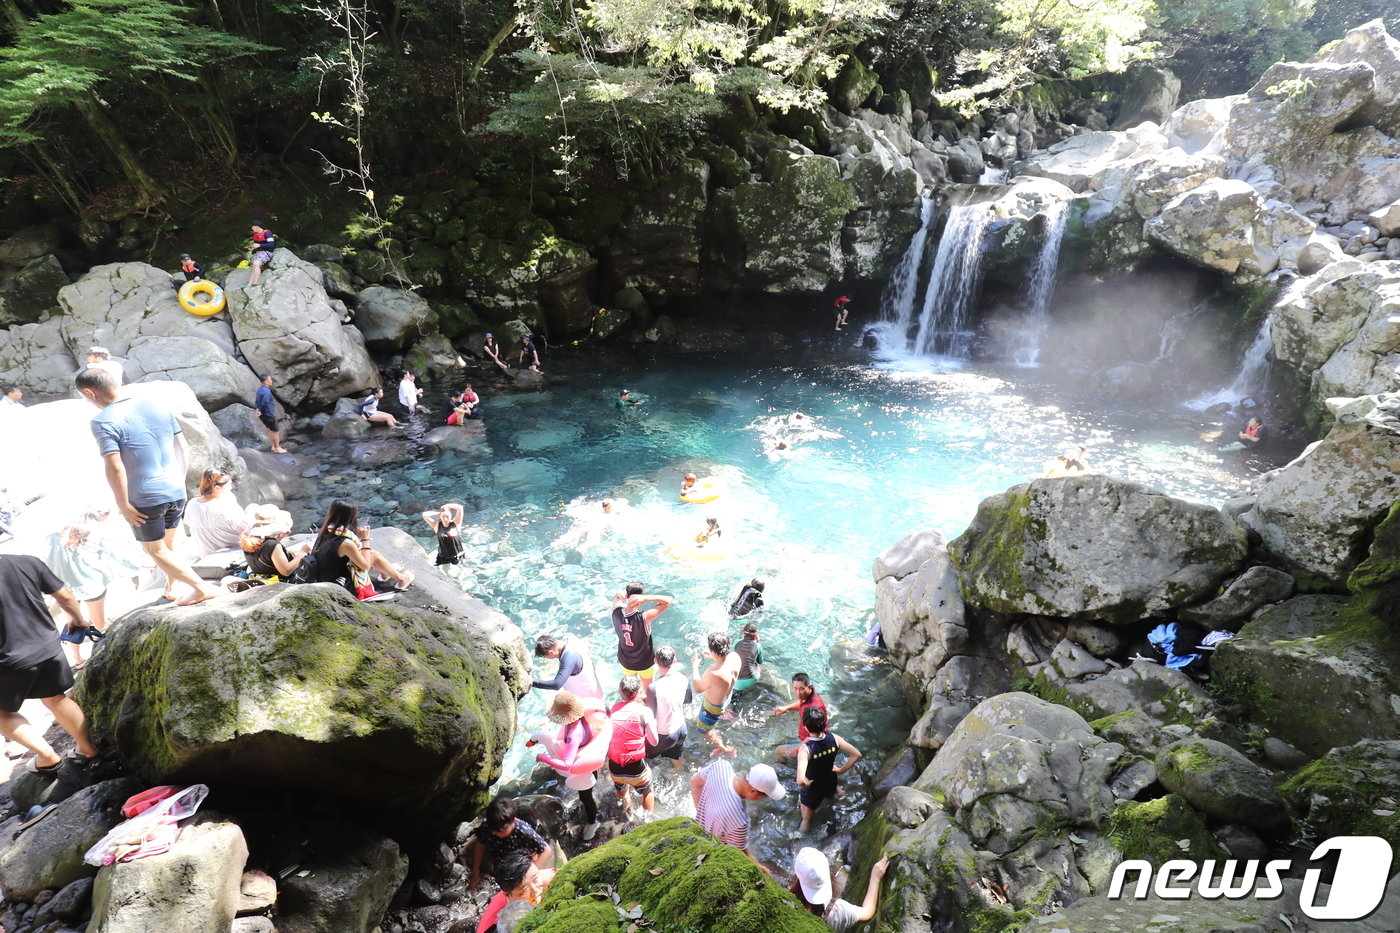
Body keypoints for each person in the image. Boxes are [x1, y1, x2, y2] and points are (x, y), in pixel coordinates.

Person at [75, 368, 219, 606]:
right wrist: (177, 481)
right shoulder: (156, 406)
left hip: (146, 497)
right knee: (170, 545)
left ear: (90, 392)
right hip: (175, 488)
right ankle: (172, 589)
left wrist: (123, 503)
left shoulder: (102, 421)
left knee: (155, 550)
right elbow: (182, 447)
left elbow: (115, 466)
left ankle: (201, 587)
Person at [0, 554, 102, 776]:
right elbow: (65, 596)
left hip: (8, 660)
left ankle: (47, 756)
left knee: (2, 714)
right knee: (56, 697)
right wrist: (78, 619)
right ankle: (87, 748)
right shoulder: (27, 562)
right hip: (48, 648)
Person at [45, 509, 141, 660]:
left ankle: (77, 659)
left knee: (71, 622)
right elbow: (119, 556)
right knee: (98, 621)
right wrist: (140, 565)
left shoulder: (53, 537)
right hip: (91, 584)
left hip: (63, 587)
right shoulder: (95, 535)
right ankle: (101, 652)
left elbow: (46, 561)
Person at [530, 690, 608, 841]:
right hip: (587, 757)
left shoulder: (574, 734)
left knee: (586, 797)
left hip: (583, 769)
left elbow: (566, 765)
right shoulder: (581, 716)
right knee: (586, 793)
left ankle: (593, 822)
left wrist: (544, 758)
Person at [305, 498, 414, 600]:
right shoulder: (345, 543)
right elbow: (365, 565)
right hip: (338, 585)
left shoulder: (326, 530)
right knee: (372, 555)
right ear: (350, 516)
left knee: (373, 554)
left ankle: (386, 571)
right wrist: (365, 538)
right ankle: (401, 579)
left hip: (323, 577)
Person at [690, 759, 785, 872]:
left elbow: (694, 781)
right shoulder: (739, 820)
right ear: (753, 791)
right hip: (710, 847)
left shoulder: (721, 766)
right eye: (765, 796)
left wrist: (700, 809)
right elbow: (740, 854)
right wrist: (761, 868)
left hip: (698, 829)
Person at [795, 705, 861, 833]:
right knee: (832, 796)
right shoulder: (834, 739)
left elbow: (800, 780)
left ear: (805, 726)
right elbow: (856, 754)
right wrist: (841, 770)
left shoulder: (805, 749)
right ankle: (841, 795)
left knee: (807, 819)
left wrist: (807, 785)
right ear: (825, 723)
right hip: (830, 780)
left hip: (813, 789)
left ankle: (801, 841)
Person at [791, 848, 891, 930]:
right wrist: (875, 879)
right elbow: (867, 913)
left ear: (797, 878)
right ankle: (846, 867)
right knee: (844, 870)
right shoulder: (838, 911)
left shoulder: (787, 904)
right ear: (828, 874)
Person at [469, 795, 550, 892]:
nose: (495, 833)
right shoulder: (489, 825)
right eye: (493, 830)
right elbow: (481, 843)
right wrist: (475, 871)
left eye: (500, 830)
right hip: (500, 860)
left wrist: (531, 873)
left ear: (513, 821)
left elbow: (546, 850)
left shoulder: (523, 830)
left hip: (519, 862)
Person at [607, 675, 659, 816]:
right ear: (638, 691)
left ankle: (628, 809)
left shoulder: (612, 710)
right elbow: (654, 741)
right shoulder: (644, 712)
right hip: (635, 767)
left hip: (615, 766)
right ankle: (646, 822)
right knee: (647, 790)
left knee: (622, 789)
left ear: (620, 692)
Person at [610, 583, 673, 698]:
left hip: (626, 661)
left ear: (627, 595)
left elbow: (616, 597)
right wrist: (647, 598)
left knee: (630, 689)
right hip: (645, 663)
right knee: (648, 691)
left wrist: (620, 595)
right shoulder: (643, 618)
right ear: (640, 598)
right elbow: (668, 600)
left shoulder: (615, 612)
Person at [476, 850, 557, 933]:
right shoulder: (494, 919)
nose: (536, 891)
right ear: (508, 896)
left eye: (535, 879)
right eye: (524, 891)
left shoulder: (554, 878)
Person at [692, 631, 740, 758]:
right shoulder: (735, 657)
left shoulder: (713, 672)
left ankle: (725, 748)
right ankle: (717, 721)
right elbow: (725, 659)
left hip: (711, 708)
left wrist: (694, 666)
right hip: (725, 698)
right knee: (713, 720)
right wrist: (713, 656)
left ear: (713, 650)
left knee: (703, 730)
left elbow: (698, 688)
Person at [645, 646, 691, 773]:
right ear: (674, 661)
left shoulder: (654, 687)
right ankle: (680, 773)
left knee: (645, 758)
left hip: (664, 735)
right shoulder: (684, 679)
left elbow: (650, 717)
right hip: (681, 729)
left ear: (655, 661)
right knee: (676, 758)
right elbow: (687, 700)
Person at [183, 469, 247, 557]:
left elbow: (188, 522)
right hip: (234, 556)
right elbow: (247, 529)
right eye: (228, 485)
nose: (231, 488)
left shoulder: (192, 504)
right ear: (217, 488)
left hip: (206, 557)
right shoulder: (225, 506)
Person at [238, 505, 308, 583]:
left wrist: (278, 539)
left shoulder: (247, 540)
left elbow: (265, 554)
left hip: (263, 580)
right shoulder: (272, 546)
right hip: (280, 584)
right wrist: (302, 553)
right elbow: (286, 571)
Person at [773, 673, 829, 758]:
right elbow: (802, 703)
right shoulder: (808, 696)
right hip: (805, 737)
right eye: (795, 688)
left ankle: (781, 767)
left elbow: (816, 734)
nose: (798, 693)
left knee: (779, 751)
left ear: (809, 687)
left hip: (812, 742)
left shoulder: (815, 708)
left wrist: (796, 749)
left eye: (801, 689)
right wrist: (786, 708)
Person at [532, 633, 603, 700]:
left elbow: (556, 684)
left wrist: (532, 682)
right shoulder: (570, 639)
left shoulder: (569, 658)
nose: (547, 658)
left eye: (545, 657)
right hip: (595, 688)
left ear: (551, 652)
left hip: (587, 698)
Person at [254, 375, 287, 453]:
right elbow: (265, 402)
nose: (271, 381)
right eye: (270, 380)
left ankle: (273, 446)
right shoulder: (266, 391)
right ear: (265, 382)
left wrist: (258, 409)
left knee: (272, 430)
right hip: (268, 413)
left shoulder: (260, 389)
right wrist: (260, 410)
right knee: (276, 431)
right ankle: (277, 448)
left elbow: (257, 401)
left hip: (263, 414)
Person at [733, 622, 763, 693]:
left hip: (736, 681)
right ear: (756, 634)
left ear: (744, 633)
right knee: (759, 667)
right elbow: (760, 662)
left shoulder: (736, 642)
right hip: (751, 679)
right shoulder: (758, 646)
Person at [248, 221, 277, 286]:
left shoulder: (267, 234)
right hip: (259, 252)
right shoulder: (255, 235)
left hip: (267, 252)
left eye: (252, 227)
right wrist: (253, 247)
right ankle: (249, 284)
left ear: (257, 227)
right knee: (254, 266)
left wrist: (259, 245)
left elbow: (271, 244)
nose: (251, 228)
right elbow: (257, 244)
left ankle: (256, 283)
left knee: (256, 263)